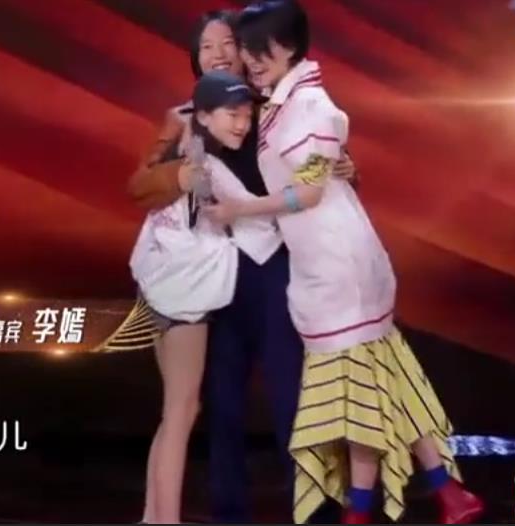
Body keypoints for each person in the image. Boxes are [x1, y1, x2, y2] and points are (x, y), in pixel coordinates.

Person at [203, 1, 485, 523]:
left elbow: (307, 193)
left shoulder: (312, 106)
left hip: (341, 265)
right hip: (326, 261)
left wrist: (241, 209)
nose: (251, 59)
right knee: (386, 381)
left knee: (356, 398)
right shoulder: (284, 102)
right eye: (246, 49)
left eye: (260, 49)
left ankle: (361, 511)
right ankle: (447, 491)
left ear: (290, 47)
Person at [127, 10, 354, 523]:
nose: (219, 53)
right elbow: (140, 185)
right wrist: (180, 172)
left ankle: (315, 510)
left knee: (292, 393)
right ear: (195, 57)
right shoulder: (185, 118)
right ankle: (226, 512)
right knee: (220, 401)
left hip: (275, 267)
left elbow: (324, 168)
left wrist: (345, 166)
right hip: (213, 275)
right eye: (207, 46)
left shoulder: (279, 108)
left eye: (228, 43)